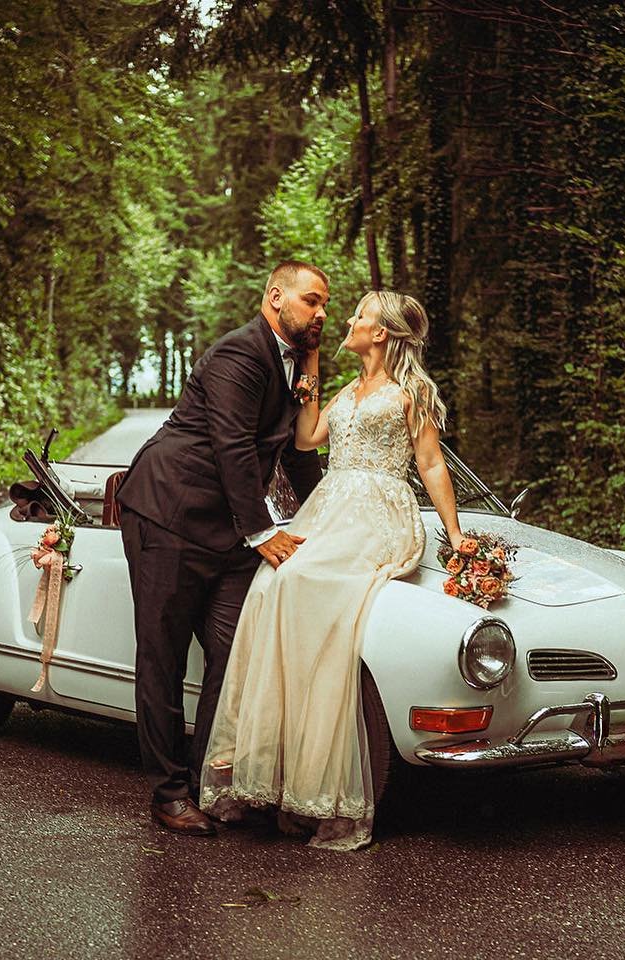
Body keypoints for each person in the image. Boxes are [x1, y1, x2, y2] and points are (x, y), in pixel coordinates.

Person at [199, 290, 464, 851]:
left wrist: (457, 533)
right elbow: (306, 437)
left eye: (360, 316)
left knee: (297, 582)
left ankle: (325, 787)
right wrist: (313, 363)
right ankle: (274, 770)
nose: (348, 320)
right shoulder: (350, 388)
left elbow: (431, 463)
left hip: (376, 513)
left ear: (383, 334)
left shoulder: (410, 392)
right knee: (272, 582)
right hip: (329, 507)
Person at [115, 261, 327, 837]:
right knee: (160, 655)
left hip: (227, 532)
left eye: (325, 305)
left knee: (234, 651)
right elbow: (233, 446)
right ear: (275, 297)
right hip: (169, 514)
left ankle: (206, 778)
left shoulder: (295, 365)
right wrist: (264, 532)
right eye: (311, 301)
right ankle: (167, 794)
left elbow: (298, 456)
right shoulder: (240, 353)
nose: (321, 313)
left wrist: (327, 519)